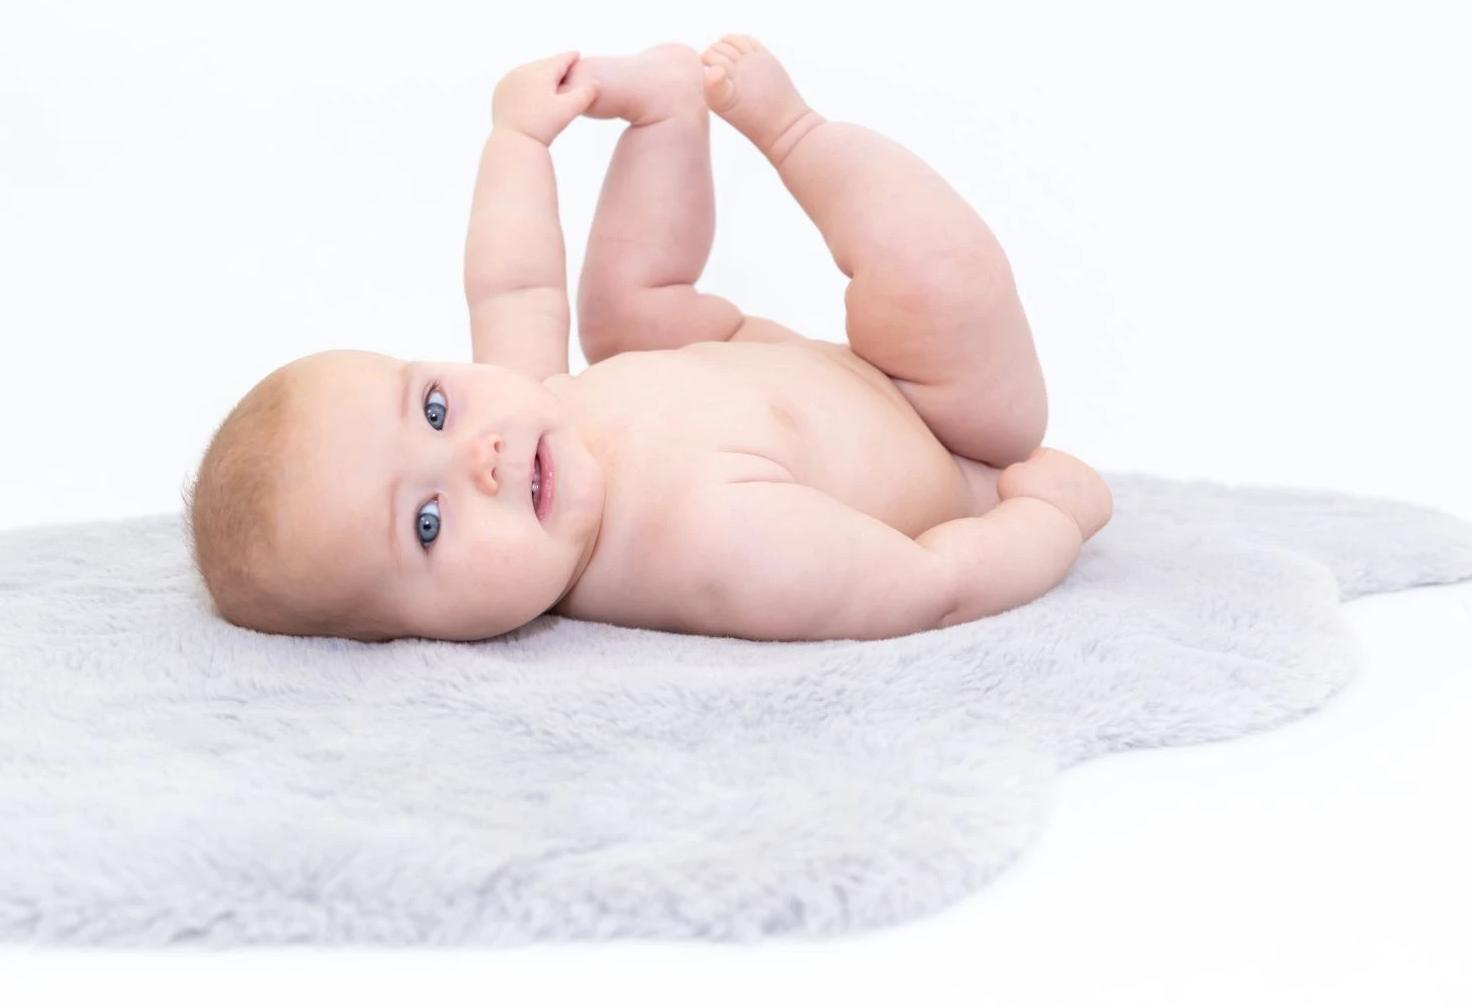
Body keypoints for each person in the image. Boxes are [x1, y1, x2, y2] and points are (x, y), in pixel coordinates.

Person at [185, 36, 1113, 643]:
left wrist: (516, 138)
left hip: (771, 354)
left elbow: (513, 279)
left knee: (631, 316)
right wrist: (1046, 519)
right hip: (947, 414)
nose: (480, 456)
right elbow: (928, 586)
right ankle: (795, 133)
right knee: (940, 273)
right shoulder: (710, 550)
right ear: (414, 638)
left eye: (432, 406)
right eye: (427, 523)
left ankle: (669, 109)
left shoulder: (529, 403)